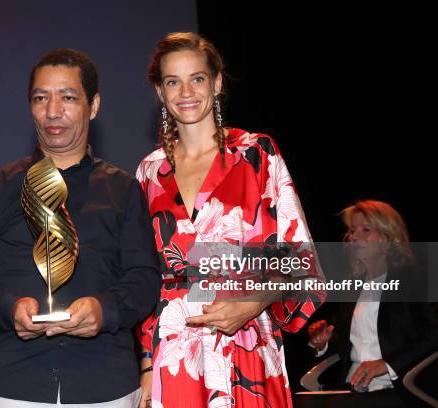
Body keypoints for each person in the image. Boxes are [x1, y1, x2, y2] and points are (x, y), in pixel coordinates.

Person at [0, 48, 162, 407]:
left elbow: (144, 278)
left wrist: (104, 310)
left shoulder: (123, 189)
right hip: (15, 389)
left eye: (67, 97)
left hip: (105, 388)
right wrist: (9, 308)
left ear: (92, 106)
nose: (52, 112)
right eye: (40, 98)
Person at [135, 32, 324, 408]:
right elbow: (145, 278)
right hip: (174, 357)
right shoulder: (148, 172)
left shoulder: (257, 155)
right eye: (173, 81)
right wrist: (145, 364)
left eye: (197, 78)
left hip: (248, 347)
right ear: (160, 92)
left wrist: (253, 303)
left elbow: (302, 260)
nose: (186, 92)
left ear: (217, 82)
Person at [303, 200, 438, 407]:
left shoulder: (414, 280)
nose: (354, 237)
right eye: (352, 230)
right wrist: (323, 343)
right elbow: (347, 346)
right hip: (353, 388)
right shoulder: (352, 289)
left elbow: (433, 333)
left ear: (388, 238)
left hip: (400, 387)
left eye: (366, 230)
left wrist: (387, 365)